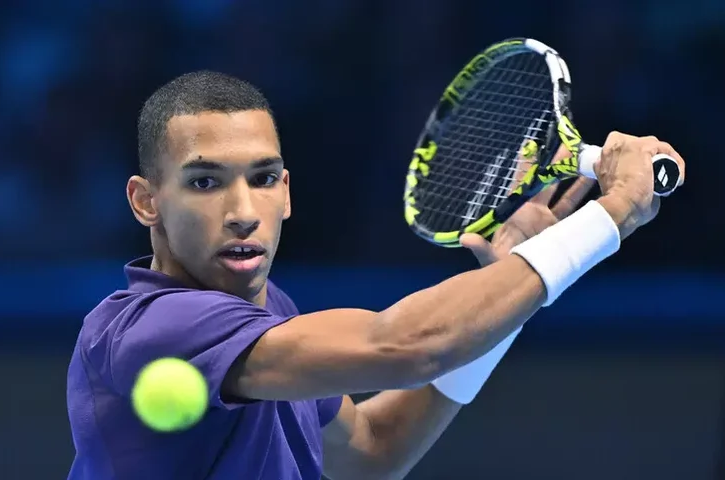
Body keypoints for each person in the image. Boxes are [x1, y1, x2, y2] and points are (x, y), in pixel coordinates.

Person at [66, 71, 685, 479]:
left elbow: (372, 450)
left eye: (263, 178)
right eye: (205, 182)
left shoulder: (270, 314)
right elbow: (405, 345)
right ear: (146, 201)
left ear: (287, 192)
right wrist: (612, 211)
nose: (243, 212)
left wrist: (513, 294)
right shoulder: (152, 328)